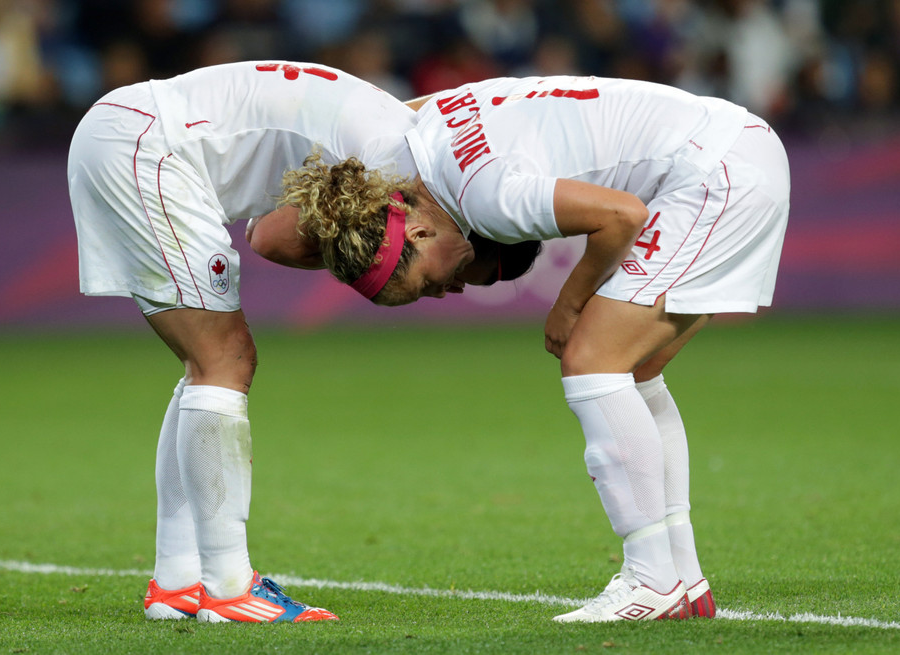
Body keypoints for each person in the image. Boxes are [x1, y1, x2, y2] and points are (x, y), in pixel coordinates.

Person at [280, 74, 790, 623]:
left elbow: (622, 216)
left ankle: (652, 581)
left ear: (420, 234)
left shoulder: (487, 196)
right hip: (732, 145)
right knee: (635, 371)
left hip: (716, 171)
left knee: (592, 361)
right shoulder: (421, 135)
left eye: (426, 284)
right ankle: (682, 576)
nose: (445, 291)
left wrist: (568, 306)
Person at [67, 59, 427, 624]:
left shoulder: (396, 129)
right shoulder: (401, 158)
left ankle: (179, 581)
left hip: (132, 130)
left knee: (207, 364)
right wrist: (369, 265)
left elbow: (265, 230)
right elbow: (272, 239)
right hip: (150, 146)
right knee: (224, 359)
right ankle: (230, 587)